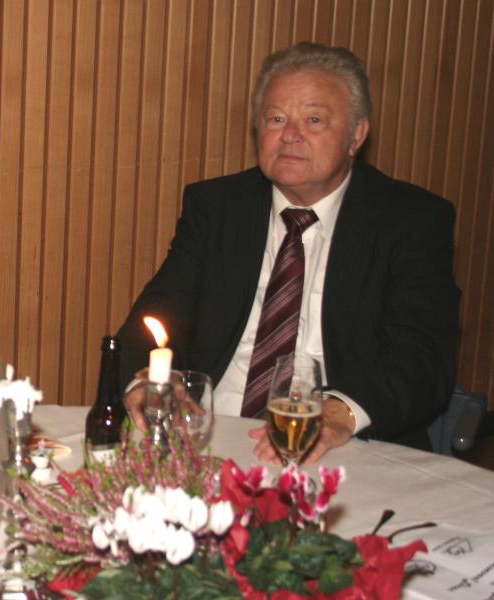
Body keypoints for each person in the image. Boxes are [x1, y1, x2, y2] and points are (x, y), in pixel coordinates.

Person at [117, 42, 460, 463]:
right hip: (209, 436)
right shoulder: (218, 207)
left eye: (313, 120)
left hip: (344, 445)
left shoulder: (409, 220)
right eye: (276, 119)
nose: (290, 135)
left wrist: (339, 414)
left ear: (356, 135)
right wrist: (147, 382)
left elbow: (423, 360)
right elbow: (153, 318)